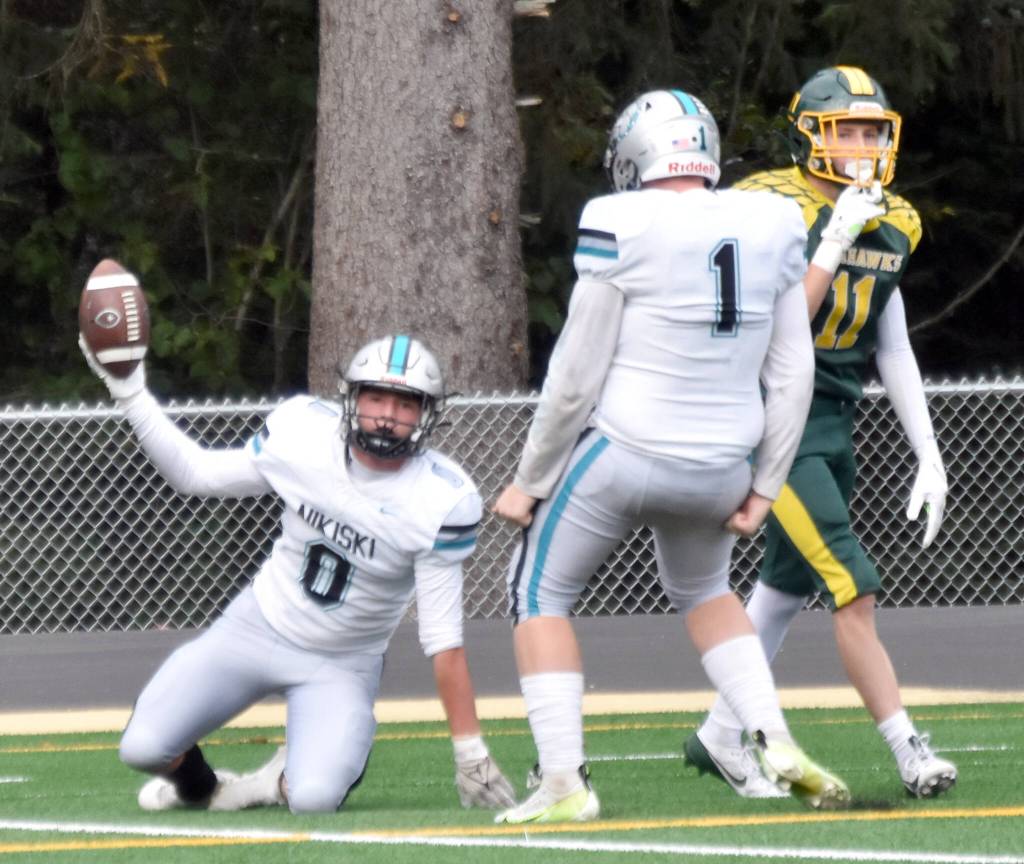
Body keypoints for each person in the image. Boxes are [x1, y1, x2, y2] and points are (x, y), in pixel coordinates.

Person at [491, 88, 850, 824]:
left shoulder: (620, 219)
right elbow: (793, 371)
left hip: (626, 450)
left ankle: (563, 783)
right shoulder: (773, 220)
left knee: (537, 594)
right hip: (723, 465)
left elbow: (574, 376)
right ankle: (771, 738)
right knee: (707, 593)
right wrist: (765, 484)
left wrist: (530, 481)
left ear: (634, 155)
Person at [80, 328, 515, 814]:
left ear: (427, 415)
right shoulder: (303, 432)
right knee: (142, 747)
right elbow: (194, 474)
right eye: (376, 398)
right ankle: (204, 789)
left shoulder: (442, 498)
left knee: (313, 799)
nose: (388, 418)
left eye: (406, 405)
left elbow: (443, 640)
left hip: (341, 662)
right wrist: (129, 390)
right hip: (255, 626)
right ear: (351, 398)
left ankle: (272, 782)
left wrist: (470, 751)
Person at [686, 66, 957, 800]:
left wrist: (927, 453)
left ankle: (718, 736)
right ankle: (909, 750)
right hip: (776, 415)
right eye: (848, 130)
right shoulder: (771, 205)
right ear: (811, 134)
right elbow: (783, 325)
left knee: (782, 585)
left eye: (874, 129)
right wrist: (834, 238)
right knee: (851, 585)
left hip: (836, 416)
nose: (864, 143)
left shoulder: (894, 216)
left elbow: (890, 341)